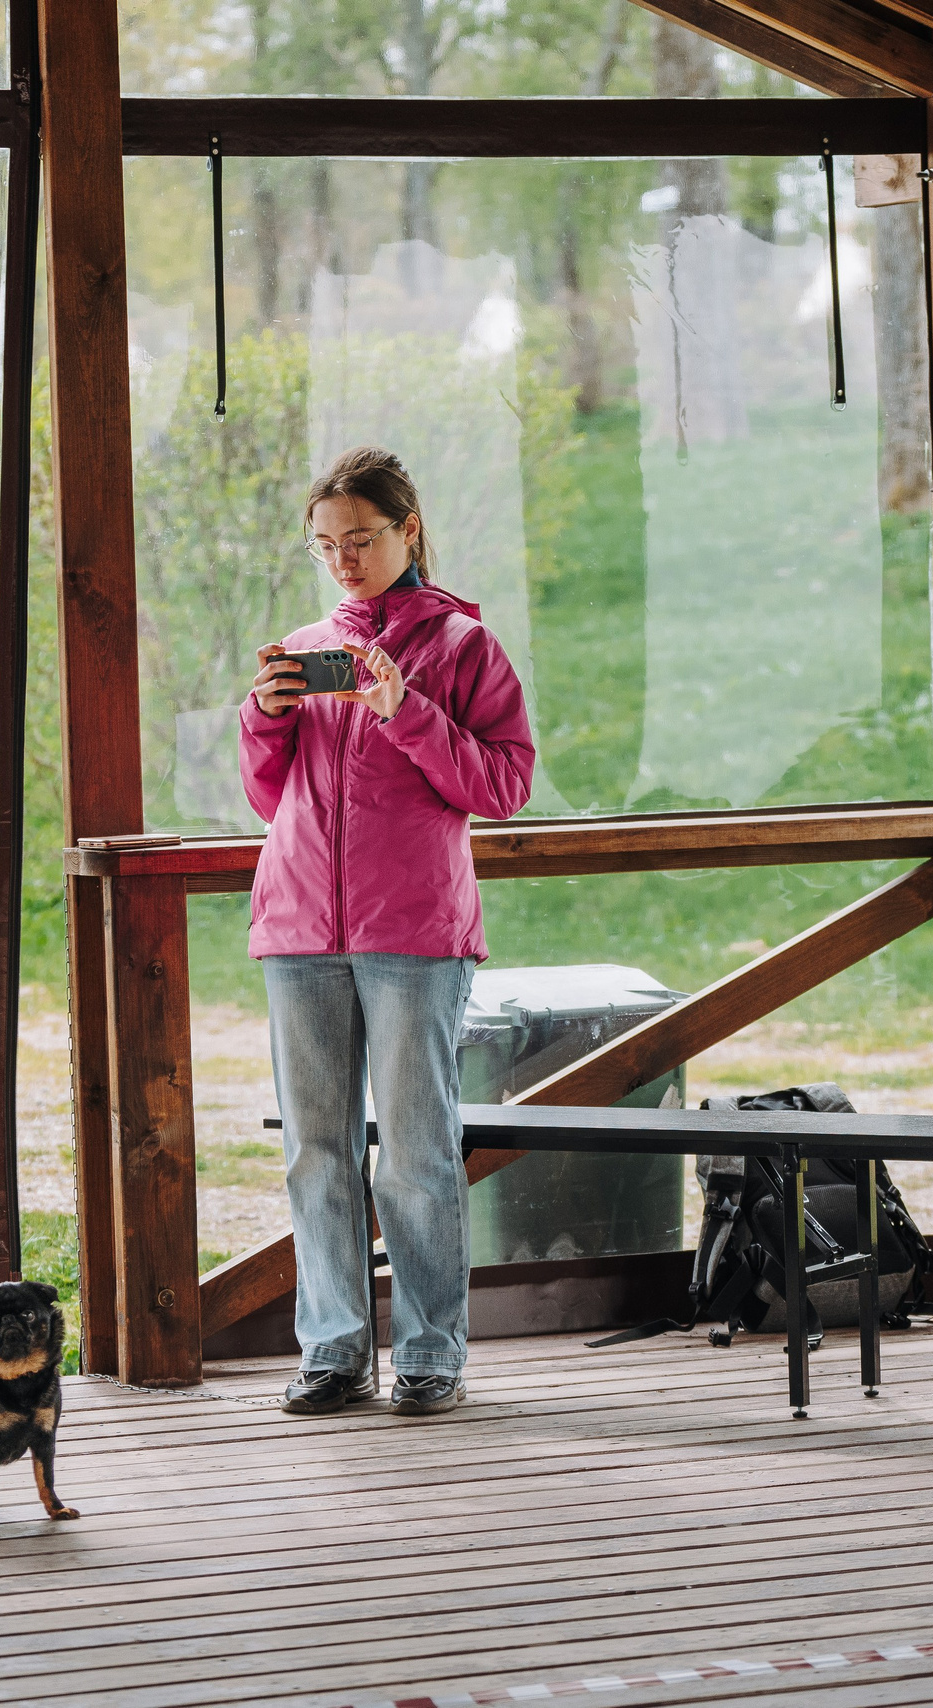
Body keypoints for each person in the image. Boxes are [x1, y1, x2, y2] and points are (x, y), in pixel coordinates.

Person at [241, 446, 536, 1419]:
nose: (343, 560)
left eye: (360, 539)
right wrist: (264, 717)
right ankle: (332, 1350)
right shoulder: (305, 645)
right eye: (325, 544)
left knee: (414, 1151)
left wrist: (403, 709)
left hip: (413, 932)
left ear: (408, 530)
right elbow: (268, 798)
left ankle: (429, 1353)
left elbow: (503, 784)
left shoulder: (462, 647)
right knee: (314, 1150)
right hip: (298, 929)